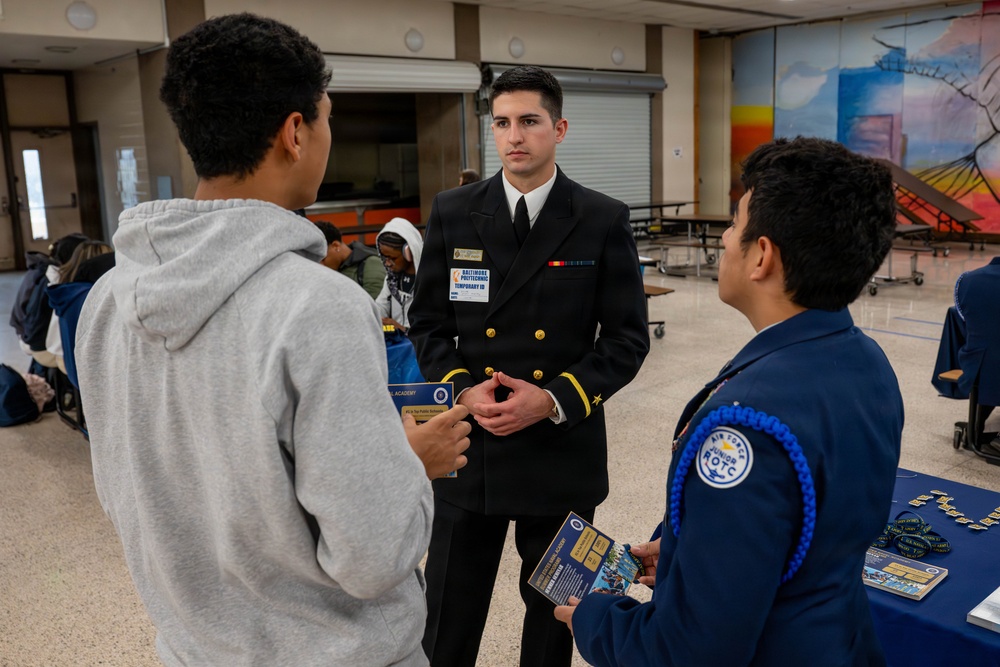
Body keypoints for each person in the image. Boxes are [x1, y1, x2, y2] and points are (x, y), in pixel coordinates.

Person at [75, 13, 469, 667]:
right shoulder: (320, 307)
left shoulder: (106, 301)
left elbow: (130, 493)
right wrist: (408, 464)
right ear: (294, 132)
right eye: (327, 119)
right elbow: (372, 557)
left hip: (194, 648)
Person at [557, 137, 903, 666]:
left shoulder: (744, 428)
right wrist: (682, 554)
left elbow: (691, 653)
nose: (724, 237)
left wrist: (597, 618)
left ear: (762, 255)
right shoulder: (867, 361)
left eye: (737, 223)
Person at [408, 65, 649, 667]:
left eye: (530, 122)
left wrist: (551, 399)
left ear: (559, 128)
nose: (514, 135)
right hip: (469, 448)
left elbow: (625, 340)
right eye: (502, 123)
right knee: (448, 613)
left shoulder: (600, 218)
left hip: (560, 449)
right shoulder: (455, 210)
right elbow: (429, 322)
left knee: (555, 622)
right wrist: (462, 390)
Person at [314, 220, 387, 300]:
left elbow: (375, 306)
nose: (321, 265)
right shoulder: (334, 269)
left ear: (336, 246)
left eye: (323, 259)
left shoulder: (371, 263)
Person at [375, 217, 423, 332]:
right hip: (400, 347)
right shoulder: (392, 279)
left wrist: (403, 330)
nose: (387, 263)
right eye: (384, 257)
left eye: (392, 258)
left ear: (409, 252)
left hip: (423, 348)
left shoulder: (432, 282)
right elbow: (379, 308)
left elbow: (436, 328)